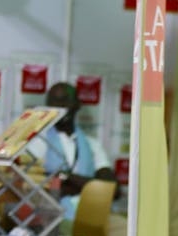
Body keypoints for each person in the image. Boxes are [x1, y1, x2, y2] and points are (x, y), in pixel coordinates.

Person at [26, 82, 115, 223]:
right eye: (53, 103)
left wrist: (65, 177)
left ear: (77, 104)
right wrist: (87, 185)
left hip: (95, 215)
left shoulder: (92, 144)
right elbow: (35, 188)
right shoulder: (38, 142)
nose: (59, 108)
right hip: (53, 218)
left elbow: (110, 188)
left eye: (64, 100)